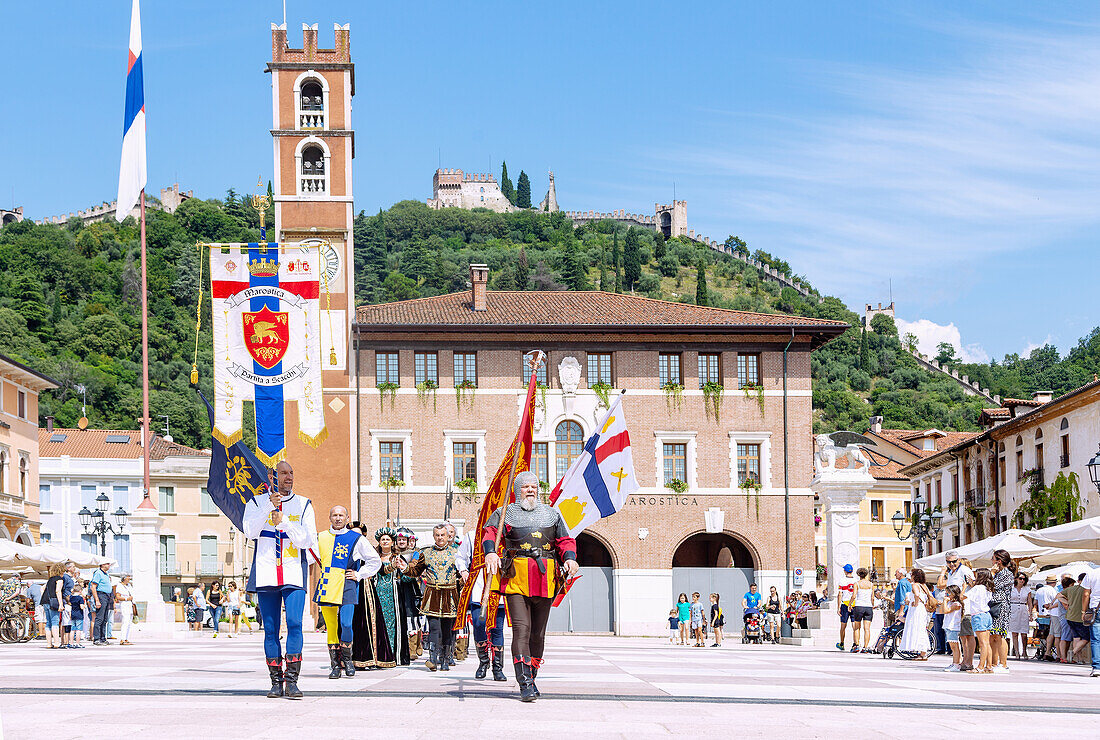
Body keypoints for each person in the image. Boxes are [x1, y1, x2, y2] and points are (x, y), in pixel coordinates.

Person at [483, 470, 579, 702]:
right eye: (525, 486)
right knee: (522, 628)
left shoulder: (551, 514)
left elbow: (565, 540)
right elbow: (489, 534)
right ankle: (524, 683)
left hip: (545, 578)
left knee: (538, 633)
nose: (530, 490)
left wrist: (569, 557)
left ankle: (532, 676)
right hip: (515, 576)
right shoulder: (504, 513)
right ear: (517, 490)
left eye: (533, 486)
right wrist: (490, 553)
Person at [242, 459, 318, 699]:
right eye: (283, 473)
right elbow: (249, 532)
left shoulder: (304, 505)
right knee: (271, 629)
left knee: (295, 623)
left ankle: (292, 681)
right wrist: (267, 508)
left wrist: (284, 521)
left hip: (293, 571)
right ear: (272, 477)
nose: (288, 477)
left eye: (291, 473)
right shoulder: (255, 503)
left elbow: (307, 541)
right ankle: (276, 682)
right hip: (266, 571)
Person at [313, 507, 381, 677]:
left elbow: (375, 561)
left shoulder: (356, 538)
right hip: (327, 583)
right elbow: (307, 557)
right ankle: (335, 665)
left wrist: (359, 574)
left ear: (347, 518)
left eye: (341, 515)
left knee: (346, 623)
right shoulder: (320, 537)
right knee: (331, 627)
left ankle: (348, 659)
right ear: (329, 517)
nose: (337, 518)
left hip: (347, 584)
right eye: (334, 515)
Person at [406, 524, 462, 672]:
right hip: (433, 594)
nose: (440, 538)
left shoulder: (456, 552)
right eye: (437, 535)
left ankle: (445, 659)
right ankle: (432, 658)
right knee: (434, 628)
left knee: (448, 629)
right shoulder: (427, 552)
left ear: (448, 536)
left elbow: (462, 573)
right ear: (434, 536)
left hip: (450, 594)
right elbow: (416, 571)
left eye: (443, 535)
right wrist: (404, 568)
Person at [351, 524, 406, 671]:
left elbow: (381, 569)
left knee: (367, 623)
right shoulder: (343, 547)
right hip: (347, 585)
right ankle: (345, 659)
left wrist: (394, 567)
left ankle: (370, 657)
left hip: (365, 588)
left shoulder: (367, 550)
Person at [457, 522, 506, 680]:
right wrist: (463, 570)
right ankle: (483, 661)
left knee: (497, 628)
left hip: (499, 587)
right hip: (479, 588)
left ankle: (497, 668)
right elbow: (460, 557)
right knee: (478, 625)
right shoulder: (472, 536)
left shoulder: (505, 535)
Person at [394, 527, 424, 659]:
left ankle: (413, 647)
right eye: (399, 539)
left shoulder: (414, 554)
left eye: (403, 539)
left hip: (409, 588)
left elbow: (414, 568)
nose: (401, 542)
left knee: (412, 617)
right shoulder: (392, 554)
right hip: (395, 587)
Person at [988, 548, 1014, 672]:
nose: (991, 560)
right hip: (993, 606)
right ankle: (994, 663)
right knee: (993, 635)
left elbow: (992, 586)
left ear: (998, 561)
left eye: (993, 558)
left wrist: (991, 574)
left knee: (1000, 635)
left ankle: (1003, 664)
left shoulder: (1006, 574)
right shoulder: (999, 573)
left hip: (1001, 607)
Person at [897, 568, 931, 660]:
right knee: (921, 629)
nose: (910, 576)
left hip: (916, 610)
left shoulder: (915, 585)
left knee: (916, 628)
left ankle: (922, 653)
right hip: (922, 609)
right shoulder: (923, 586)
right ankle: (923, 652)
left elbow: (916, 595)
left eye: (911, 574)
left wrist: (915, 603)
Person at [967, 568, 994, 674]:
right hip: (986, 614)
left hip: (978, 615)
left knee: (982, 643)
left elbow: (964, 596)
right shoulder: (987, 588)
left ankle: (980, 667)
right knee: (987, 643)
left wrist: (967, 585)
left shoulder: (977, 588)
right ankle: (989, 666)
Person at [1060, 573, 1089, 664]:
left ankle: (1079, 658)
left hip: (1070, 617)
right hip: (1080, 617)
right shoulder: (1087, 590)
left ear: (1078, 580)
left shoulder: (1071, 589)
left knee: (1076, 637)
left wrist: (1067, 603)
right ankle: (1073, 652)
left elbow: (1058, 596)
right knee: (1086, 638)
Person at [1078, 565, 1100, 677]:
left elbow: (1086, 594)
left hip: (1096, 608)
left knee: (1096, 639)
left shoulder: (1091, 573)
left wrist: (1083, 611)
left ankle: (1097, 668)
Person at [848, 567, 875, 653]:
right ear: (866, 574)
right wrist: (872, 605)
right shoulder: (871, 584)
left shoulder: (857, 584)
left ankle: (856, 645)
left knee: (857, 627)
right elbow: (872, 597)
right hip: (868, 607)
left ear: (858, 575)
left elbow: (854, 595)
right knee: (867, 629)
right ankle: (865, 647)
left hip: (859, 606)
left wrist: (850, 604)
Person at [40, 563, 65, 649]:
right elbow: (58, 591)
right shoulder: (60, 579)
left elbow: (42, 588)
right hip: (53, 602)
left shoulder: (50, 579)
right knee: (55, 622)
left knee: (48, 623)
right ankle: (57, 643)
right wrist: (61, 604)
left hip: (45, 601)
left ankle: (49, 643)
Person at [941, 585, 965, 672]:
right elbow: (941, 610)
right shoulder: (950, 603)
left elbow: (946, 611)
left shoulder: (956, 604)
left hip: (953, 626)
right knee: (953, 646)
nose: (947, 595)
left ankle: (956, 664)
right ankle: (955, 662)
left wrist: (944, 601)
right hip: (948, 625)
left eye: (949, 593)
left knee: (955, 646)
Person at [1008, 573, 1032, 659]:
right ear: (1016, 579)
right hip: (1013, 608)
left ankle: (1024, 651)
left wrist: (1031, 613)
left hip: (1023, 609)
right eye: (1020, 578)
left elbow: (1029, 602)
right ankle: (1017, 652)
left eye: (1024, 579)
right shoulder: (1011, 588)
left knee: (1024, 633)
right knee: (1014, 633)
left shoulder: (1027, 589)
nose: (1022, 580)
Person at [1034, 574, 1058, 661]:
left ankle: (1043, 650)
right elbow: (1056, 602)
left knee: (1042, 634)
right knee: (1053, 633)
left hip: (1041, 615)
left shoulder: (1039, 590)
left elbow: (1035, 602)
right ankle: (1051, 652)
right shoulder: (1053, 590)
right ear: (1054, 582)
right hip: (1051, 614)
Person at [90, 562, 113, 646]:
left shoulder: (106, 574)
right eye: (107, 564)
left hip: (107, 596)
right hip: (101, 595)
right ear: (102, 565)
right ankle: (96, 638)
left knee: (105, 618)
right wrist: (97, 600)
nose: (109, 565)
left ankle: (103, 638)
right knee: (99, 618)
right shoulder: (98, 573)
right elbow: (93, 587)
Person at [835, 563, 856, 651]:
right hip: (854, 604)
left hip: (845, 603)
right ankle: (855, 644)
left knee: (843, 625)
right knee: (854, 625)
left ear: (845, 571)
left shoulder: (842, 580)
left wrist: (838, 606)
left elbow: (840, 594)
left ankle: (842, 643)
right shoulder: (856, 580)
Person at [115, 574, 135, 645]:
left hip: (130, 605)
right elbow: (117, 597)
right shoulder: (119, 586)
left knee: (129, 622)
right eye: (128, 577)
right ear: (124, 578)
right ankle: (122, 639)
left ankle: (126, 638)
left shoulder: (129, 586)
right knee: (125, 621)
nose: (129, 579)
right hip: (124, 604)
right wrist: (126, 598)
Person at [69, 582, 87, 648]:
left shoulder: (71, 597)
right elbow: (81, 607)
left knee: (72, 629)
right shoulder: (80, 598)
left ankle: (71, 643)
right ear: (80, 591)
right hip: (79, 614)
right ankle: (77, 643)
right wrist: (84, 605)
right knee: (78, 630)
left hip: (73, 614)